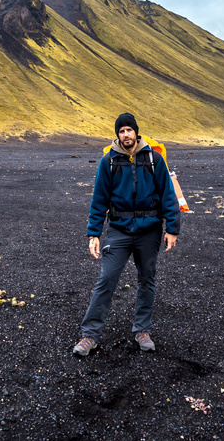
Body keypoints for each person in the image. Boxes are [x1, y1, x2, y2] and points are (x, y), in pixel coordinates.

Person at [73, 113, 180, 356]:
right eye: (121, 131)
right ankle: (90, 336)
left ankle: (142, 330)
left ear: (136, 132)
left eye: (129, 130)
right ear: (117, 135)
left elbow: (167, 195)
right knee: (106, 279)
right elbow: (99, 199)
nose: (125, 135)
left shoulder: (154, 159)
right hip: (119, 230)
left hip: (149, 231)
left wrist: (172, 228)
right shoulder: (108, 161)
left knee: (147, 280)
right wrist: (94, 234)